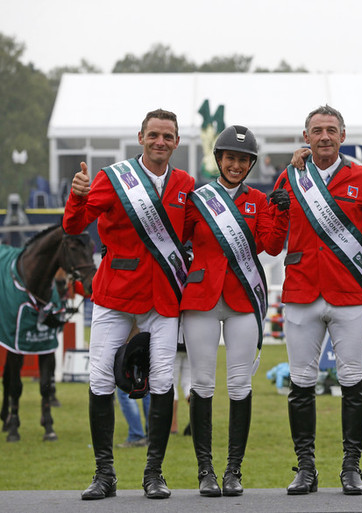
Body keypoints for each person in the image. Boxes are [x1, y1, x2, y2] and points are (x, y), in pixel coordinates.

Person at [64, 108, 195, 500]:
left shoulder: (186, 183)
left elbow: (191, 235)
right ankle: (105, 475)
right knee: (100, 378)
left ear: (176, 142)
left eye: (167, 136)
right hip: (116, 293)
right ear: (141, 137)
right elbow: (73, 227)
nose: (160, 142)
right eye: (153, 135)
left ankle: (153, 474)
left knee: (162, 381)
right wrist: (77, 195)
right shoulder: (113, 179)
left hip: (163, 298)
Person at [276, 105, 362, 495]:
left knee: (352, 380)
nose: (325, 136)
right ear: (306, 136)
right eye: (317, 130)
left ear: (342, 136)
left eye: (332, 130)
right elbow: (273, 231)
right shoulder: (289, 175)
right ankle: (306, 468)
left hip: (347, 293)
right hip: (300, 292)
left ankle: (351, 468)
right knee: (301, 383)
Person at [181, 125, 289, 497]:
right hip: (202, 300)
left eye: (243, 160)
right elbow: (175, 239)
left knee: (240, 386)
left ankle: (233, 471)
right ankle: (205, 471)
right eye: (231, 158)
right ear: (219, 160)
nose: (236, 164)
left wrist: (282, 215)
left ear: (250, 164)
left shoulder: (259, 201)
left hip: (243, 299)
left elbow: (271, 248)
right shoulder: (197, 199)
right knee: (203, 385)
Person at [170, 342, 191, 435]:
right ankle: (195, 422)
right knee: (188, 384)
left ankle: (173, 426)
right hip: (190, 346)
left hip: (174, 346)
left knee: (172, 385)